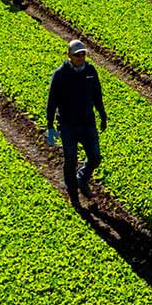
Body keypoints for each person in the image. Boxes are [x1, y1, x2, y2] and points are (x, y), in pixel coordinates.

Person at [45, 39, 106, 203]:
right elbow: (52, 102)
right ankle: (73, 194)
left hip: (87, 123)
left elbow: (97, 95)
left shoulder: (91, 71)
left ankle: (82, 178)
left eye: (83, 54)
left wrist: (102, 114)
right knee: (70, 160)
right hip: (68, 125)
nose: (80, 58)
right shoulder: (60, 75)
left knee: (95, 157)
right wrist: (50, 125)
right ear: (69, 55)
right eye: (77, 55)